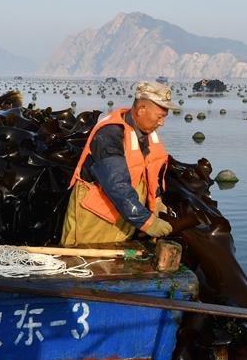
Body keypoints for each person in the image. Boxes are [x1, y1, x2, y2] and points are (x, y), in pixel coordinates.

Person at [60, 81, 179, 246]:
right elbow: (116, 184)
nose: (161, 123)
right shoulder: (109, 135)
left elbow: (150, 174)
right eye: (160, 117)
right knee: (85, 266)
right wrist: (147, 222)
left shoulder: (147, 135)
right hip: (94, 221)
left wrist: (156, 202)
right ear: (141, 109)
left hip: (125, 218)